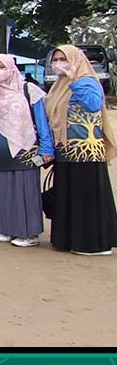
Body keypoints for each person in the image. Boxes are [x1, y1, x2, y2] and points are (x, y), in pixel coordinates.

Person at [44, 45, 117, 255]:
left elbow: (94, 104)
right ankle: (69, 240)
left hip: (86, 151)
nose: (58, 63)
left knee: (86, 198)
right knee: (69, 197)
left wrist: (75, 80)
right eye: (55, 59)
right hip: (65, 151)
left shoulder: (86, 81)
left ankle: (93, 243)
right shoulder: (58, 86)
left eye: (63, 58)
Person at [0, 54, 54, 247]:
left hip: (26, 148)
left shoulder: (28, 90)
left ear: (11, 68)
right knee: (4, 189)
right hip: (1, 150)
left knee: (26, 190)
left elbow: (41, 121)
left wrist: (46, 147)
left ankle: (29, 233)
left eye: (1, 66)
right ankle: (8, 229)